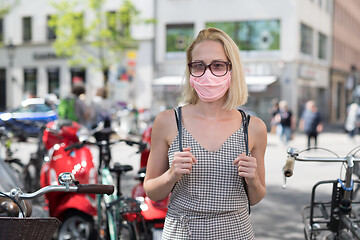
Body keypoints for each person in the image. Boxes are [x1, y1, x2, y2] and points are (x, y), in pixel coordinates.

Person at [143, 27, 267, 239]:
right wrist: (172, 174)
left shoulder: (253, 127)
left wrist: (253, 180)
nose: (208, 73)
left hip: (236, 233)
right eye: (199, 66)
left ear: (232, 69)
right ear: (190, 70)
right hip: (182, 233)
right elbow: (152, 191)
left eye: (217, 65)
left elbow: (255, 197)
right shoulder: (167, 122)